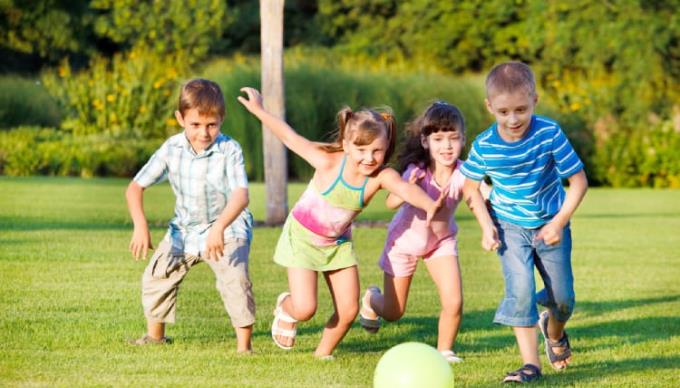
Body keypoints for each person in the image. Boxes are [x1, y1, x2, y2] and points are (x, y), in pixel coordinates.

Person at [237, 87, 443, 359]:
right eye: (361, 149)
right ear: (346, 145)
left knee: (347, 311)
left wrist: (430, 205)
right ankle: (287, 308)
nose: (369, 158)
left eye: (377, 151)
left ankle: (321, 355)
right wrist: (260, 111)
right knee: (305, 308)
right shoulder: (327, 161)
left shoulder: (381, 176)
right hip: (302, 239)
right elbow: (289, 137)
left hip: (337, 245)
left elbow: (405, 189)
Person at [461, 62, 588, 383]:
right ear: (490, 107)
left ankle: (554, 330)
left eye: (521, 109)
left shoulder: (549, 133)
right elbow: (469, 187)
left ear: (535, 100)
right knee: (520, 289)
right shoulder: (485, 145)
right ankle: (531, 365)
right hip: (509, 226)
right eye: (503, 111)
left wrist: (559, 222)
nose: (513, 119)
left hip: (550, 225)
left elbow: (579, 181)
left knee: (563, 298)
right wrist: (487, 226)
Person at [358, 101, 499, 363]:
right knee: (394, 311)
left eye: (453, 138)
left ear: (463, 139)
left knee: (454, 301)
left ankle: (445, 350)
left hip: (440, 243)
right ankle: (371, 298)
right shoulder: (417, 171)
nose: (446, 146)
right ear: (425, 141)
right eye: (439, 139)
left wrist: (489, 224)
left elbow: (479, 196)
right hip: (403, 243)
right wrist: (405, 190)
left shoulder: (464, 173)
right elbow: (390, 202)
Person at [126, 79, 256, 353]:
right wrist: (140, 225)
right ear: (180, 118)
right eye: (195, 124)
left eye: (212, 125)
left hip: (227, 227)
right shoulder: (171, 149)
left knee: (235, 279)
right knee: (157, 275)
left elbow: (241, 196)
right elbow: (135, 187)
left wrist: (220, 227)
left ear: (222, 119)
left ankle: (244, 348)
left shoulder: (229, 150)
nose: (204, 133)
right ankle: (155, 338)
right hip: (184, 230)